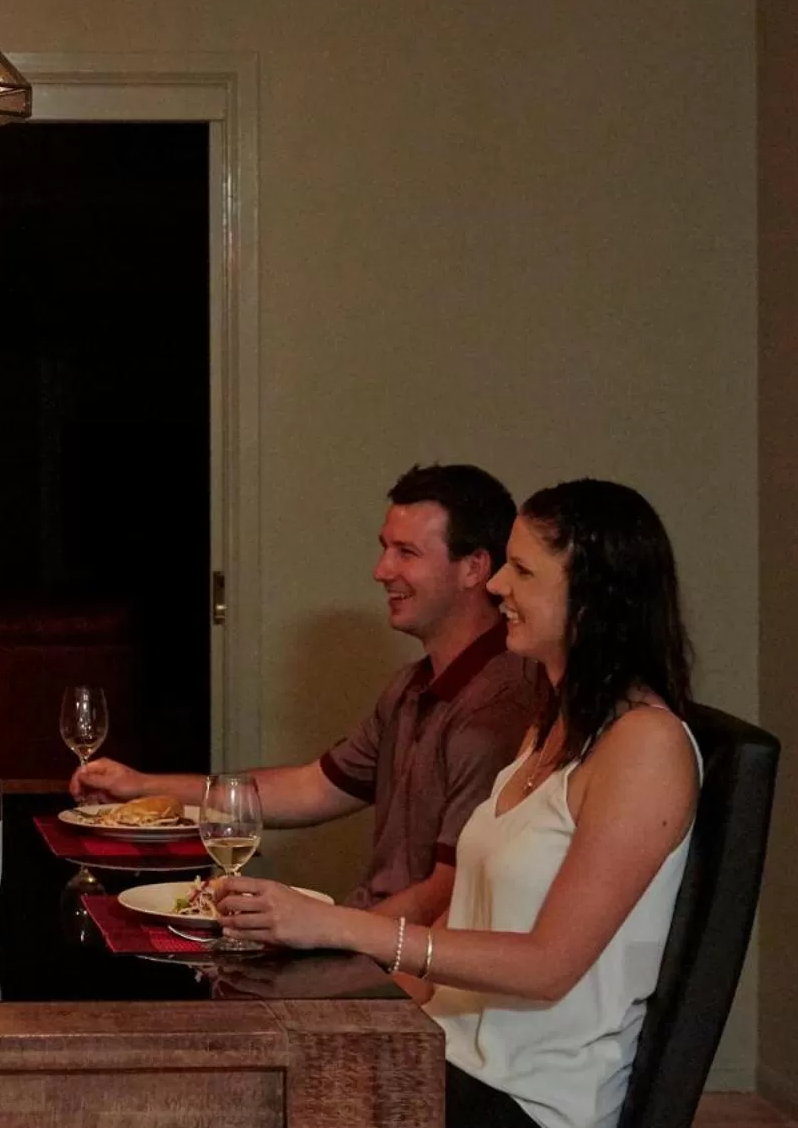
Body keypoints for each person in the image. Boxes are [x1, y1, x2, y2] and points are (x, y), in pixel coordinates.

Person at [213, 479, 702, 1128]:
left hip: (529, 1101)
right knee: (231, 1076)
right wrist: (332, 995)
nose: (497, 585)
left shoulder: (645, 744)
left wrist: (334, 926)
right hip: (445, 1054)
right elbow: (459, 939)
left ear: (591, 598)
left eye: (522, 570)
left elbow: (549, 964)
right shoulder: (549, 727)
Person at [73, 463, 543, 922]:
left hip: (407, 965)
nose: (381, 571)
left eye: (406, 552)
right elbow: (311, 788)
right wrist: (141, 785)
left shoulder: (498, 706)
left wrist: (323, 947)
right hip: (371, 935)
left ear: (475, 568)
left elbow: (447, 897)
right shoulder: (410, 686)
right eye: (385, 549)